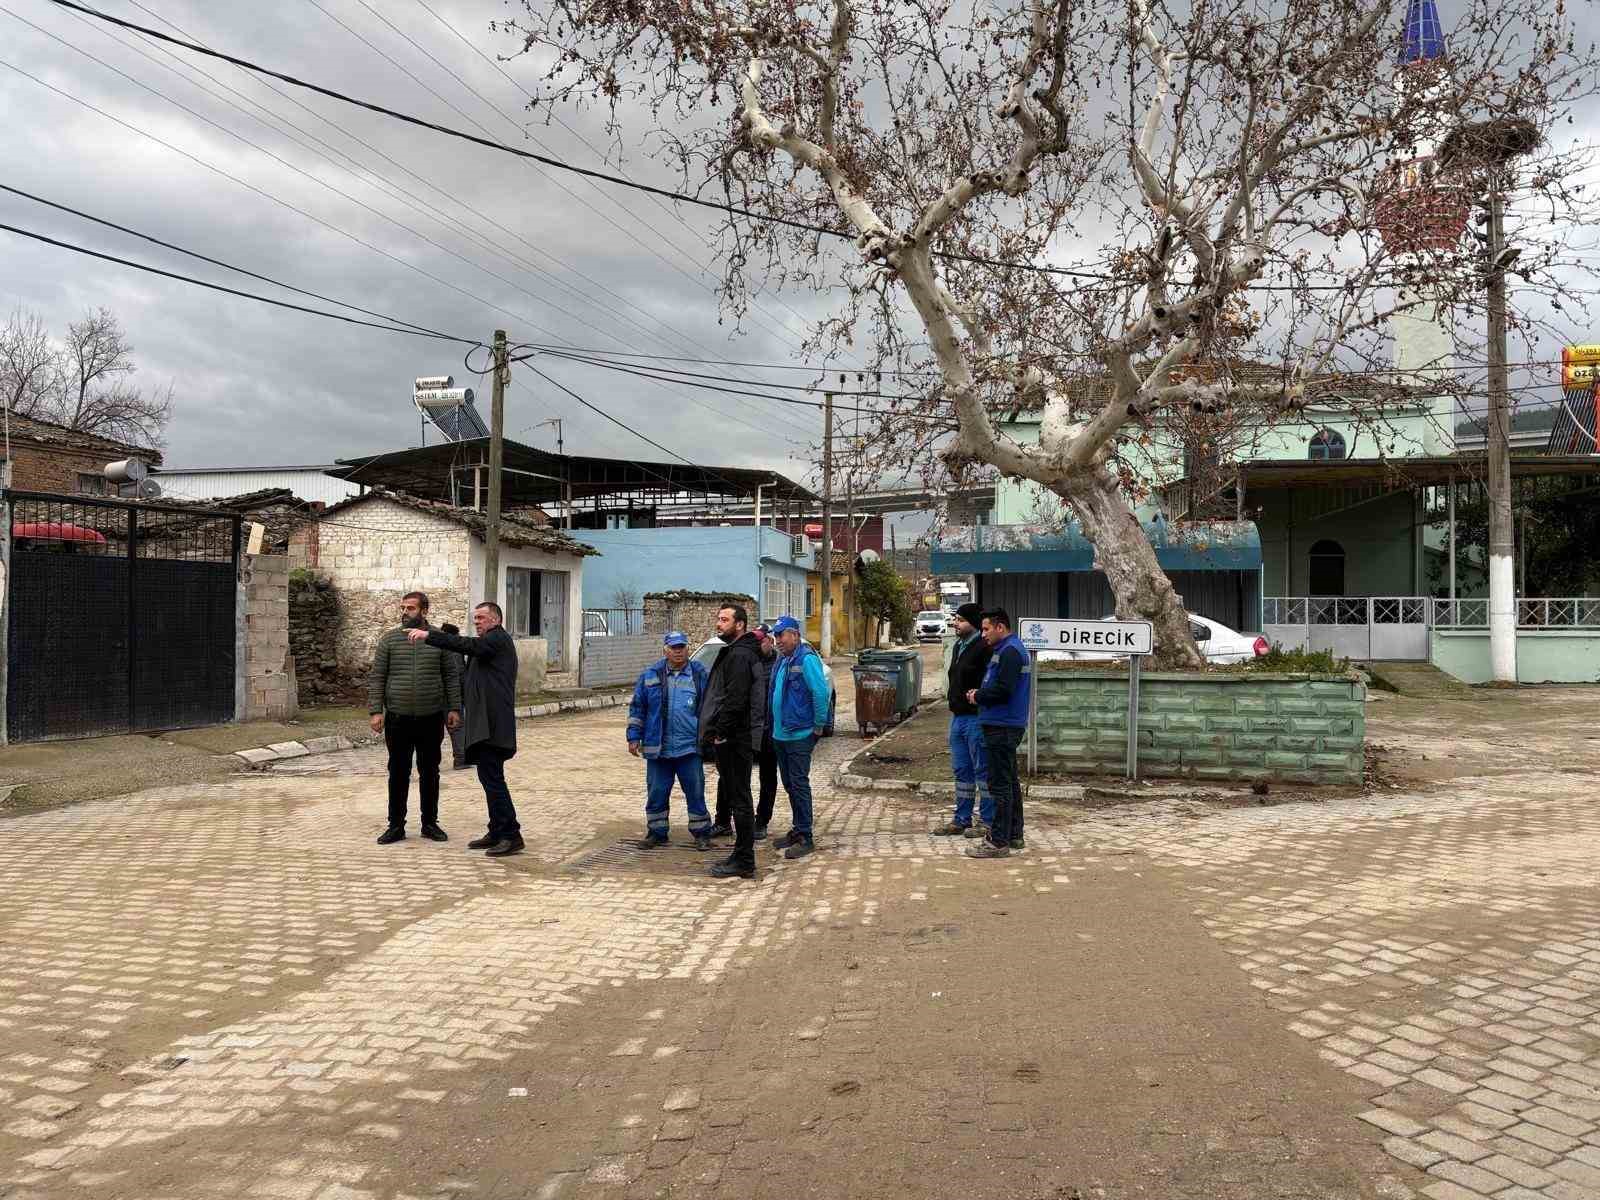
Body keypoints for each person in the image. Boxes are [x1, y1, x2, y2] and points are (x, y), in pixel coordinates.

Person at [409, 602, 523, 857]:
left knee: (493, 781)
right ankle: (497, 830)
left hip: (494, 726)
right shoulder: (489, 643)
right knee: (489, 779)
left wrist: (431, 635)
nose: (477, 622)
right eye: (475, 619)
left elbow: (469, 645)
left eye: (481, 618)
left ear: (496, 620)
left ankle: (510, 835)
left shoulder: (496, 640)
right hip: (485, 725)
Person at [367, 591, 461, 845]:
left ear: (424, 611)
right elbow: (377, 677)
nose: (405, 612)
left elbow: (451, 676)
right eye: (403, 608)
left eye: (411, 608)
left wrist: (454, 708)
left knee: (430, 772)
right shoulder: (389, 640)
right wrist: (376, 711)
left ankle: (430, 823)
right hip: (398, 718)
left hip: (431, 717)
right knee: (398, 772)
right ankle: (395, 825)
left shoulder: (437, 640)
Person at [697, 603, 767, 880]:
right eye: (718, 619)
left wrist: (719, 731)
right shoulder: (741, 652)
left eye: (724, 620)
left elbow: (735, 699)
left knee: (740, 799)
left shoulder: (739, 655)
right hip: (738, 735)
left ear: (739, 624)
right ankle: (741, 854)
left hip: (736, 737)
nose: (718, 624)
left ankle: (745, 860)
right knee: (740, 797)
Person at [626, 631, 713, 849]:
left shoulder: (699, 673)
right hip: (658, 748)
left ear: (687, 648)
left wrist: (709, 735)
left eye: (681, 647)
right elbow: (638, 707)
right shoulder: (651, 675)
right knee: (657, 791)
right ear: (665, 650)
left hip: (689, 748)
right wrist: (633, 736)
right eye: (673, 647)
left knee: (695, 791)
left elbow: (709, 706)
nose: (678, 651)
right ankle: (656, 832)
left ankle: (701, 832)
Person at [964, 608, 1031, 859]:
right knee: (1009, 781)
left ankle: (998, 841)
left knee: (1000, 784)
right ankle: (1014, 834)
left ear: (1000, 627)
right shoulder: (1004, 651)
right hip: (1001, 723)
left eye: (986, 629)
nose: (983, 634)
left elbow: (1004, 690)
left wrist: (977, 696)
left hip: (1003, 725)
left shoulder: (1011, 652)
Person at [767, 614, 830, 860]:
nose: (778, 640)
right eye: (776, 636)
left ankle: (806, 836)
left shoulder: (806, 660)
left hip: (800, 734)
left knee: (799, 783)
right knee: (790, 784)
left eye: (781, 635)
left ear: (794, 634)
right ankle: (798, 828)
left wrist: (818, 727)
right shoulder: (783, 660)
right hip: (781, 735)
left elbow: (820, 693)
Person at [933, 602, 995, 839]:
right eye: (955, 619)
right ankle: (961, 818)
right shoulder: (959, 645)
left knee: (982, 771)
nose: (955, 624)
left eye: (960, 620)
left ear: (974, 623)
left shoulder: (984, 647)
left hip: (976, 718)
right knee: (962, 771)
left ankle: (987, 821)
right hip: (958, 718)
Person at [711, 622, 778, 840]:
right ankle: (723, 820)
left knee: (767, 777)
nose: (759, 644)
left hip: (768, 731)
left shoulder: (779, 664)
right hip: (743, 731)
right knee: (730, 778)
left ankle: (761, 821)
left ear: (770, 641)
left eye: (762, 640)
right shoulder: (744, 659)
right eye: (756, 640)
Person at [440, 622, 470, 771]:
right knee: (457, 726)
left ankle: (431, 761)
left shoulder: (435, 647)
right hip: (451, 695)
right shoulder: (454, 650)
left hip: (436, 695)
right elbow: (459, 674)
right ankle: (460, 759)